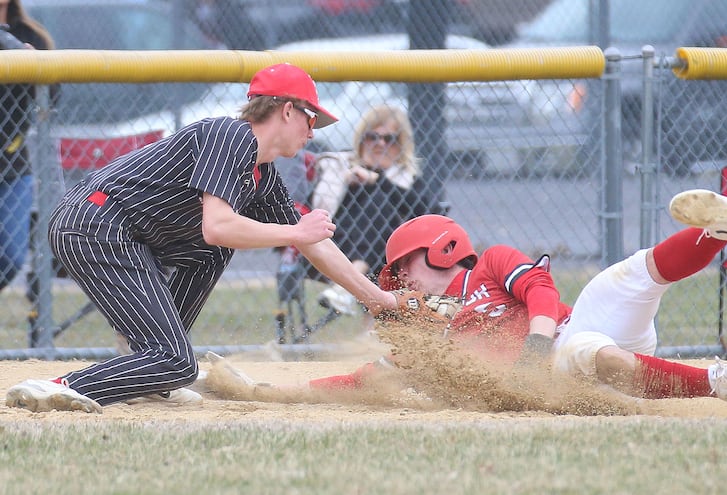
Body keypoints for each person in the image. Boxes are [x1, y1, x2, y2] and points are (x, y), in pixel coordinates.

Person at [4, 63, 398, 413]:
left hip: (122, 233)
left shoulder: (262, 173)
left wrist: (377, 298)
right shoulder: (231, 135)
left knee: (211, 259)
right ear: (287, 109)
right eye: (312, 120)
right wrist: (296, 230)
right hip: (95, 224)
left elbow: (313, 244)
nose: (313, 133)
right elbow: (219, 225)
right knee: (178, 361)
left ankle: (150, 374)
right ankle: (63, 386)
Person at [209, 189, 727, 407]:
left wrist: (535, 340)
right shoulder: (428, 333)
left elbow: (540, 290)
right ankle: (722, 384)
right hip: (573, 363)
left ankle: (717, 231)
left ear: (436, 250)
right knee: (579, 351)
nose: (398, 284)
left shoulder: (487, 265)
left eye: (401, 269)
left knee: (623, 277)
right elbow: (366, 380)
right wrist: (264, 390)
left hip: (569, 329)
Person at [313, 104, 431, 321]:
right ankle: (354, 279)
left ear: (401, 144)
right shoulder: (340, 167)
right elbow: (318, 207)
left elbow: (426, 210)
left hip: (391, 255)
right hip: (337, 244)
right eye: (372, 137)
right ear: (361, 140)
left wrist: (378, 181)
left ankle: (349, 288)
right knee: (380, 203)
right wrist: (346, 183)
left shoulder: (407, 177)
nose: (379, 144)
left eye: (389, 139)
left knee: (383, 201)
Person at [0, 0, 56, 294]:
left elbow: (52, 98)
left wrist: (36, 64)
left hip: (12, 162)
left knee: (11, 256)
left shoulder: (31, 35)